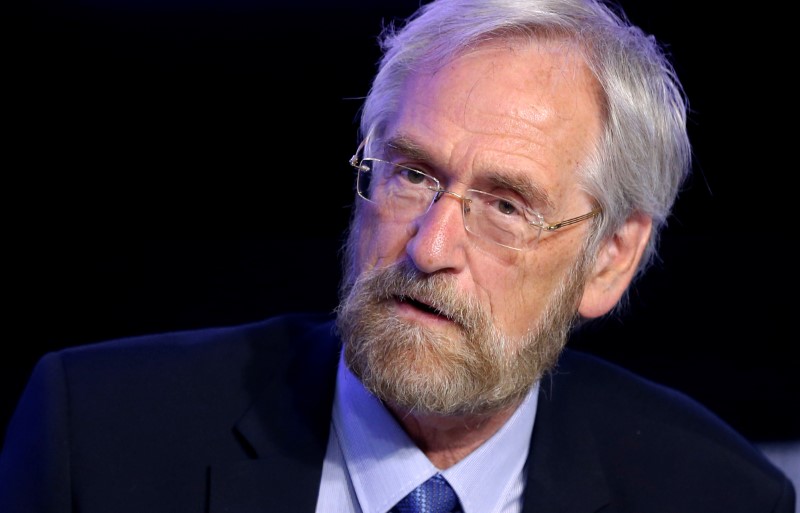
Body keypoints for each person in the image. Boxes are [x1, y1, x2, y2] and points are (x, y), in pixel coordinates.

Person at [1, 0, 795, 511]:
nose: (431, 245)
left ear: (610, 260)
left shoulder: (720, 495)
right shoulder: (98, 438)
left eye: (506, 205)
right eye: (414, 175)